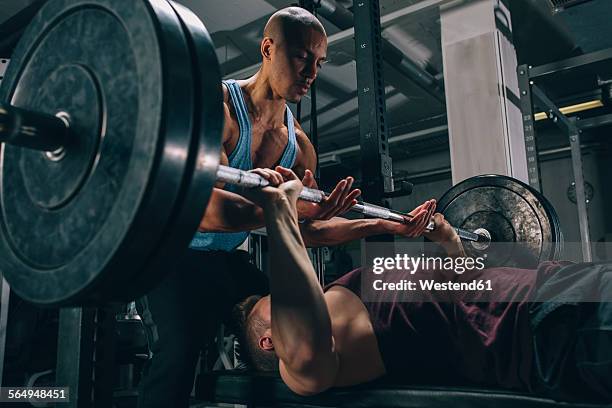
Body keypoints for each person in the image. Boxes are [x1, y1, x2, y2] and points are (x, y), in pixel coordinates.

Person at [137, 7, 437, 408]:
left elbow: (305, 233)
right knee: (180, 352)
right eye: (301, 56)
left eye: (320, 62)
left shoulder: (299, 145)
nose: (312, 71)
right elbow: (207, 211)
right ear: (267, 48)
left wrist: (379, 228)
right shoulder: (220, 107)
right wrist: (284, 209)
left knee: (300, 329)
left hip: (226, 261)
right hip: (171, 256)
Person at [233, 167, 612, 403]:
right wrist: (279, 211)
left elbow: (463, 280)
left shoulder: (348, 290)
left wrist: (447, 241)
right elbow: (302, 347)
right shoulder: (300, 369)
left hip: (563, 285)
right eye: (274, 298)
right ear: (270, 341)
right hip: (542, 333)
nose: (283, 290)